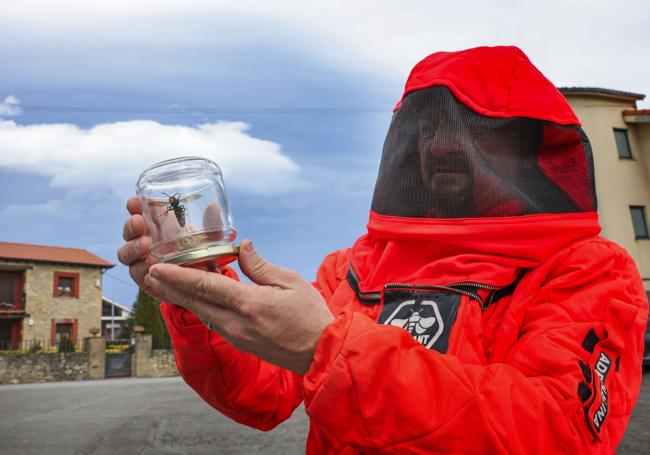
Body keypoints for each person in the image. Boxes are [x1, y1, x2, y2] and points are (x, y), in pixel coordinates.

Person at [117, 46, 649, 454]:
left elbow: (554, 431)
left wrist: (325, 347)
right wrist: (197, 298)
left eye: (469, 128)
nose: (439, 144)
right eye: (426, 128)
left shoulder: (591, 270)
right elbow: (261, 396)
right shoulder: (354, 266)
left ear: (525, 144)